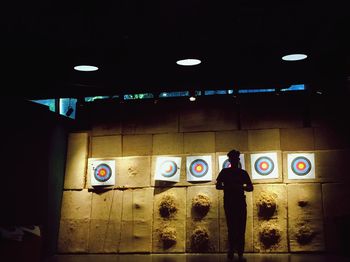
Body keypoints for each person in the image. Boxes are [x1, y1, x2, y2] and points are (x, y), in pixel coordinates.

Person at [216, 149, 253, 261]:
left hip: (238, 203)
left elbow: (251, 187)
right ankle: (233, 250)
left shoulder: (241, 173)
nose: (235, 160)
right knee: (232, 227)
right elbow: (218, 186)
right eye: (233, 158)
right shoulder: (226, 172)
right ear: (231, 159)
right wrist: (232, 187)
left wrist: (239, 187)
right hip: (231, 203)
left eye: (236, 158)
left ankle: (239, 251)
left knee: (240, 228)